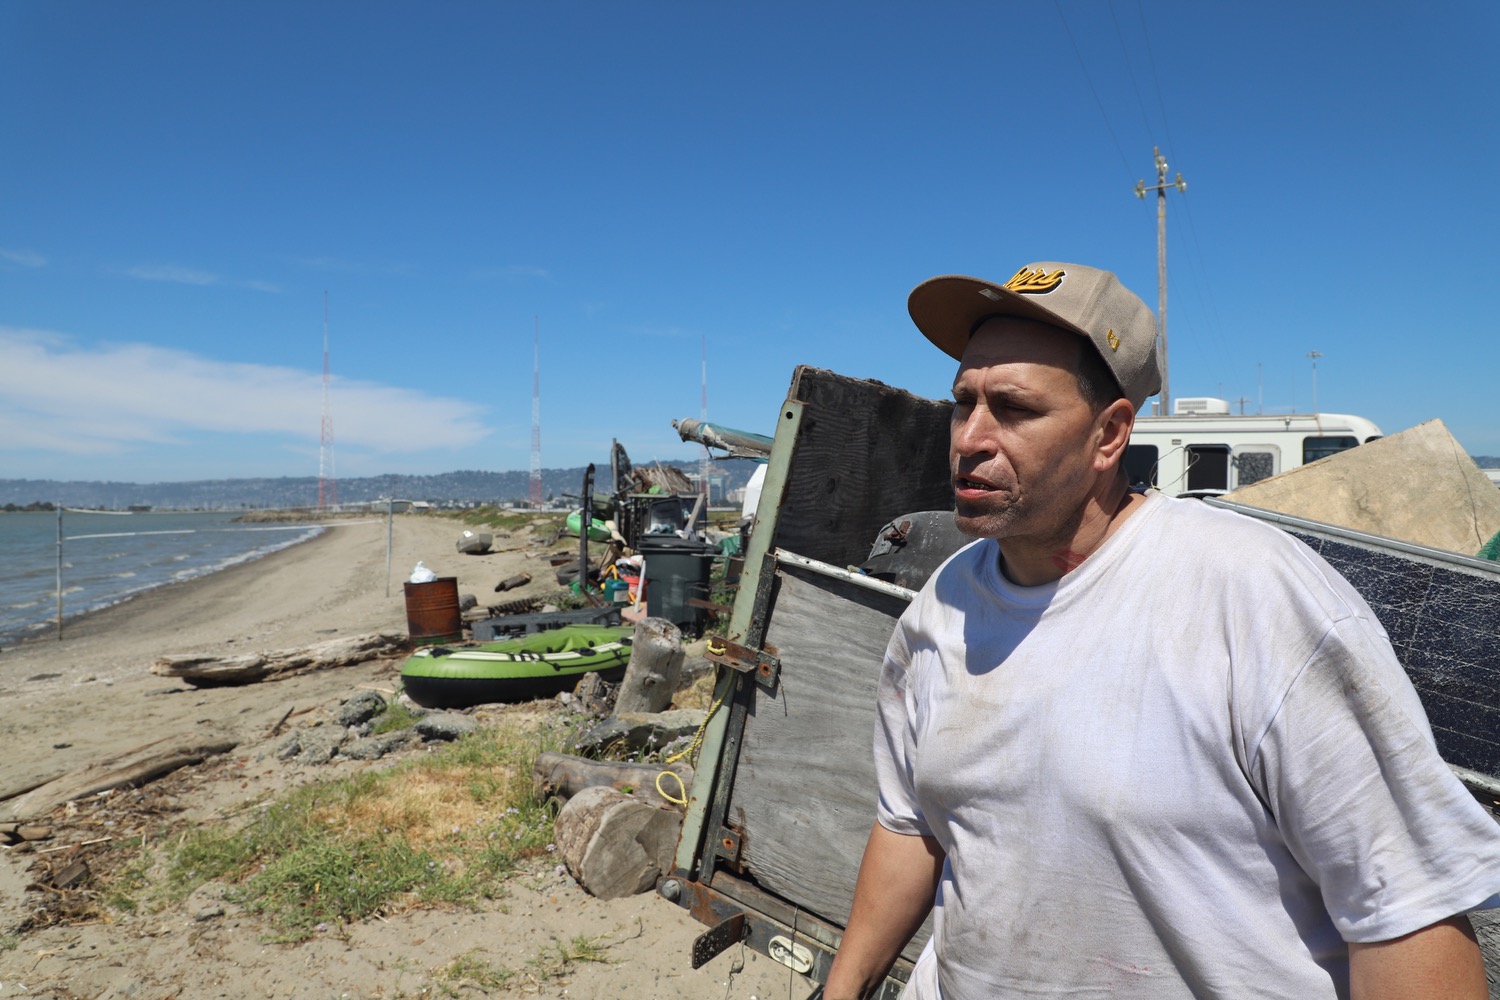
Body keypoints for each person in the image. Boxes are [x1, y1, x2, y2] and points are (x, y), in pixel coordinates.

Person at [823, 262, 1500, 999]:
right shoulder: (943, 605)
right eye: (963, 403)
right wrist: (840, 989)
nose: (970, 438)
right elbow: (910, 826)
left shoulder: (1252, 598)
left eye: (1013, 409)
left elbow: (1406, 916)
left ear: (1110, 434)